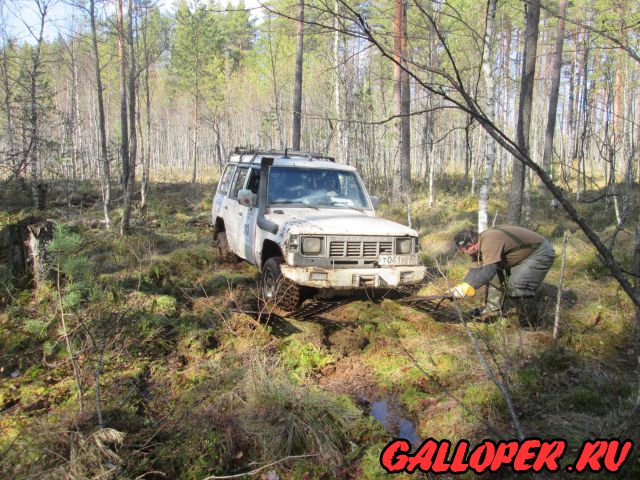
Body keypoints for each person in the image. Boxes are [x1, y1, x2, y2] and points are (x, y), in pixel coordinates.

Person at [449, 225, 555, 315]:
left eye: (463, 251)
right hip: (521, 255)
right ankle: (493, 309)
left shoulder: (490, 240)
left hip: (539, 252)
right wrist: (463, 285)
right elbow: (477, 268)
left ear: (471, 246)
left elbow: (490, 269)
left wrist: (469, 287)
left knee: (517, 286)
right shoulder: (478, 246)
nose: (464, 254)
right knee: (493, 277)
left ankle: (529, 325)